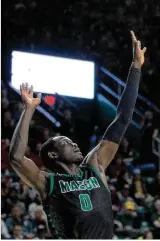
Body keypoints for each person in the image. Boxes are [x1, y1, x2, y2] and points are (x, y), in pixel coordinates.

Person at [8, 31, 147, 239]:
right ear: (53, 155)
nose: (73, 144)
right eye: (65, 142)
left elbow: (122, 120)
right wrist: (28, 110)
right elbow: (16, 158)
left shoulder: (94, 165)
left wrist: (135, 68)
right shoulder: (49, 182)